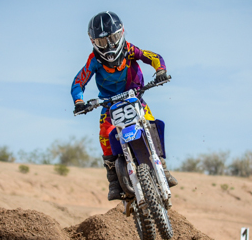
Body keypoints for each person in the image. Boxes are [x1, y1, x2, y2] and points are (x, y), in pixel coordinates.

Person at [71, 11, 177, 201]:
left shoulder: (130, 49)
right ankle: (113, 180)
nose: (109, 45)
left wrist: (161, 70)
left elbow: (153, 56)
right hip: (109, 106)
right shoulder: (94, 60)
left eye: (112, 39)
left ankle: (163, 167)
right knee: (105, 134)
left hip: (135, 99)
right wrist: (79, 101)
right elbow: (79, 81)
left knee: (151, 124)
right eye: (102, 42)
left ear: (121, 33)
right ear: (93, 42)